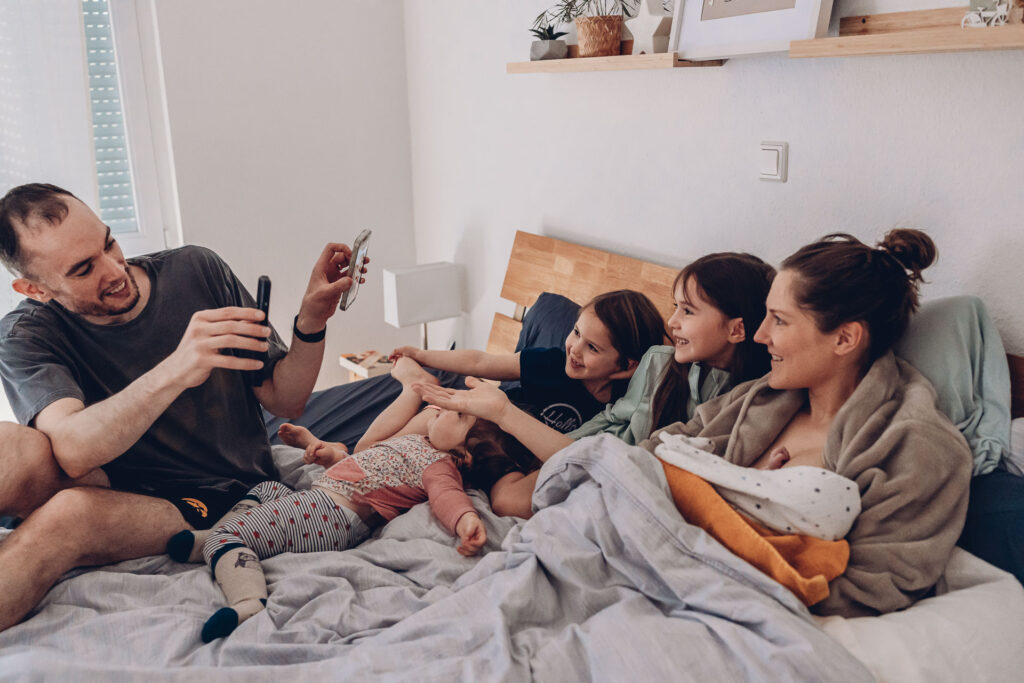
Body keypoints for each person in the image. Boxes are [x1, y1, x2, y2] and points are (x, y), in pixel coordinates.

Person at [417, 229, 973, 618]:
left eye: (778, 321)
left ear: (845, 338)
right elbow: (648, 458)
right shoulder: (757, 401)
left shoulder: (917, 445)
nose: (760, 336)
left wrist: (718, 523)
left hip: (704, 595)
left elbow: (877, 580)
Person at [0, 183, 365, 632]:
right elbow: (71, 449)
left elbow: (284, 399)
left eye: (109, 243)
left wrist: (310, 322)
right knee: (8, 447)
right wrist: (178, 367)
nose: (115, 270)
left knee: (69, 515)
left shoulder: (195, 270)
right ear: (33, 289)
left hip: (217, 495)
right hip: (110, 476)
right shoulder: (26, 333)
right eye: (83, 269)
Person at [420, 253, 776, 518]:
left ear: (736, 330)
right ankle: (416, 389)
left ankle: (479, 413)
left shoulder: (748, 398)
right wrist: (550, 452)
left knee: (505, 497)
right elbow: (611, 420)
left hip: (629, 469)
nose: (673, 322)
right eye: (675, 308)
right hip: (598, 450)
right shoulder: (660, 362)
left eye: (688, 311)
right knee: (445, 425)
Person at [183, 357, 506, 642]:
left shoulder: (440, 465)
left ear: (462, 454)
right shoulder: (417, 442)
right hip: (325, 500)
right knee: (269, 489)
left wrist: (466, 520)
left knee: (227, 539)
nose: (445, 407)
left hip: (332, 515)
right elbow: (358, 464)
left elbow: (447, 496)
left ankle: (247, 600)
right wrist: (316, 445)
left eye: (459, 414)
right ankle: (211, 539)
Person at [393, 289, 667, 435]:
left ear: (626, 366)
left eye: (592, 347)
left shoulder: (622, 406)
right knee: (433, 414)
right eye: (576, 333)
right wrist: (422, 355)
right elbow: (480, 362)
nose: (574, 349)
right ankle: (416, 383)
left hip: (507, 453)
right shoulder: (552, 362)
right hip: (481, 421)